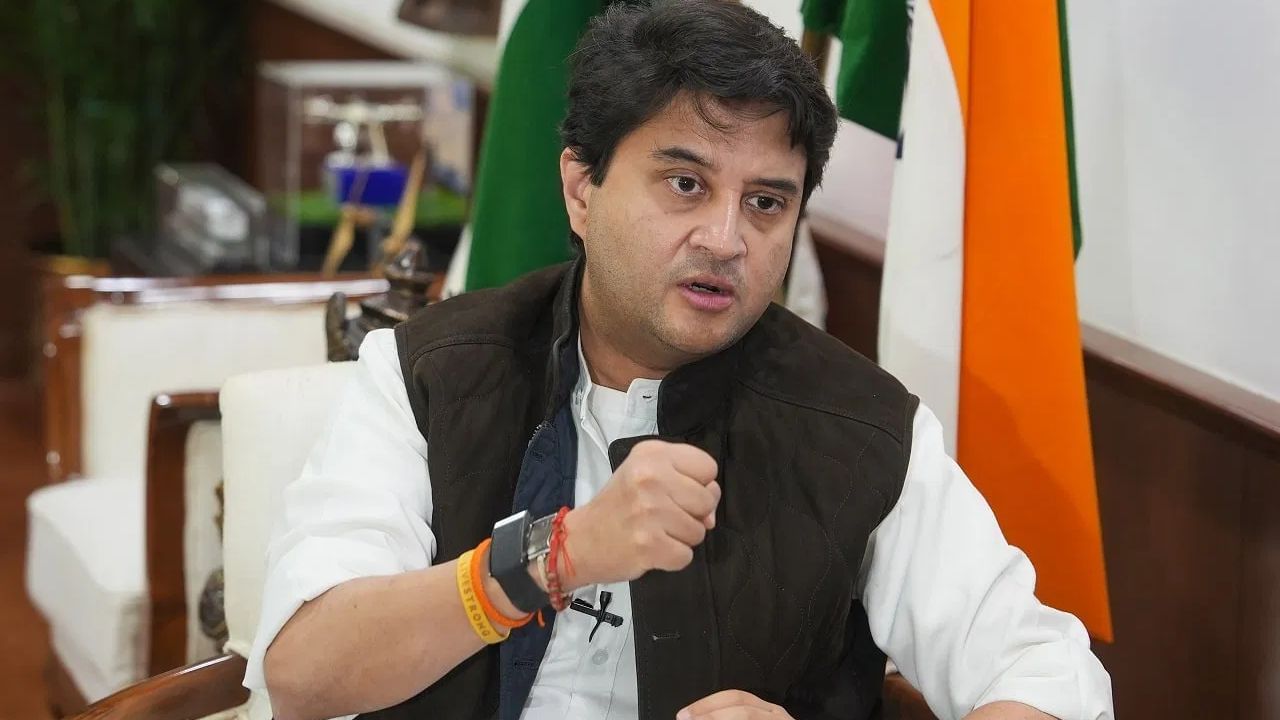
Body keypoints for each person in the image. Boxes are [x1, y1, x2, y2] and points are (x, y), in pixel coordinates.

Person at [247, 2, 1113, 719]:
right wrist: (557, 555)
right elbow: (303, 670)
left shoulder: (864, 429)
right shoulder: (431, 370)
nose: (726, 239)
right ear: (582, 189)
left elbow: (1050, 680)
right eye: (686, 184)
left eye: (765, 202)